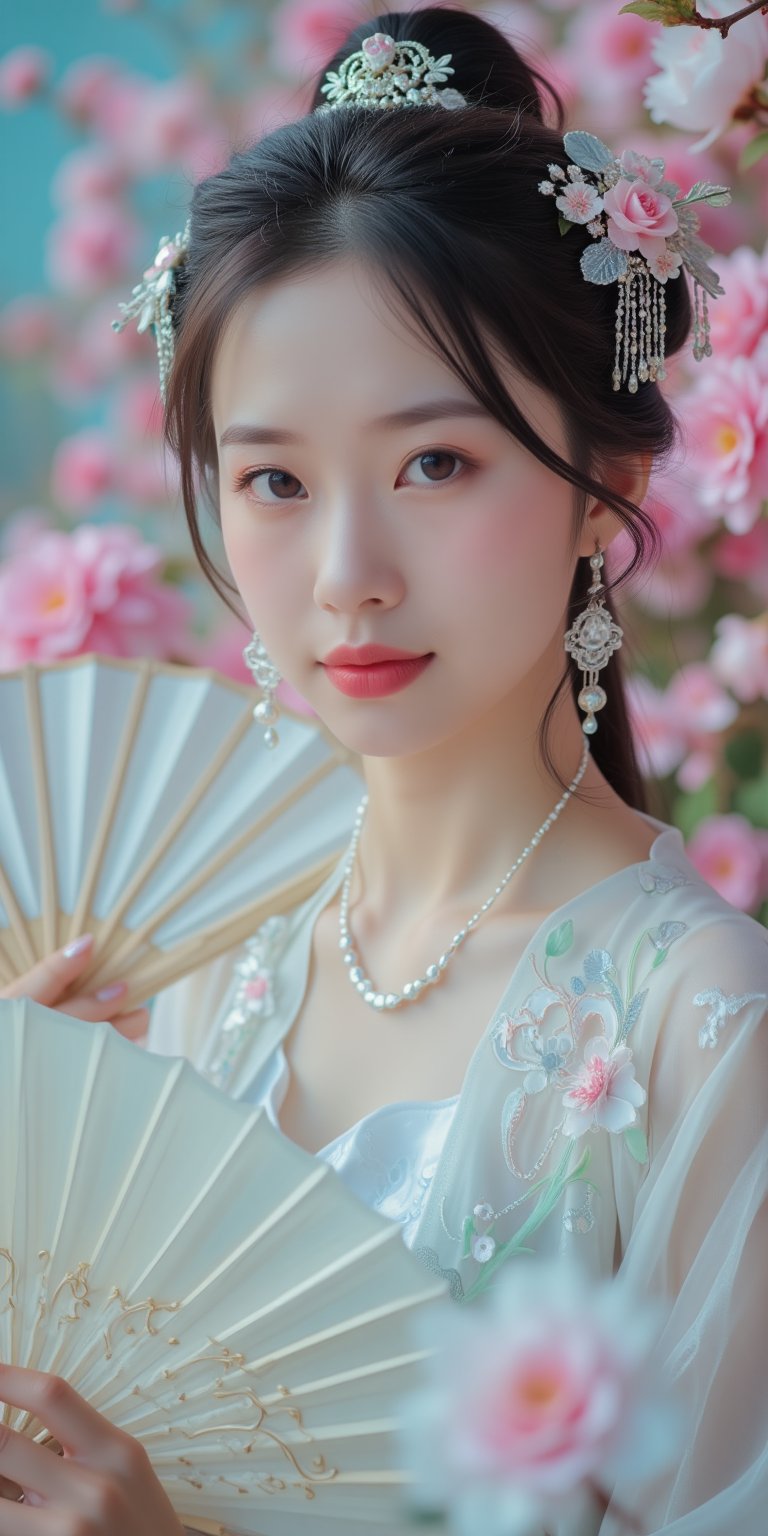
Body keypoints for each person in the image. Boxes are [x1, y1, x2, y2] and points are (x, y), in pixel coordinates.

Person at [1, 7, 766, 1534]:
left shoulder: (701, 1026)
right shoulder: (198, 973)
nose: (346, 573)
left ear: (605, 473)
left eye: (436, 462)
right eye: (274, 481)